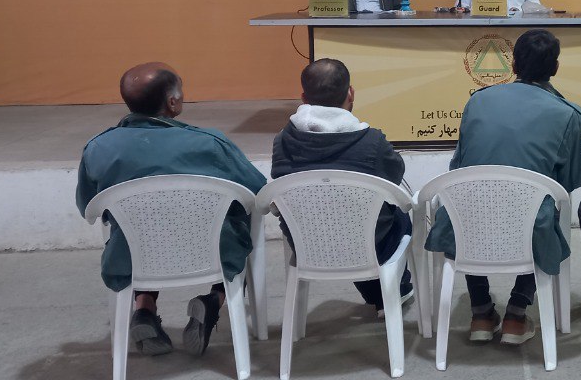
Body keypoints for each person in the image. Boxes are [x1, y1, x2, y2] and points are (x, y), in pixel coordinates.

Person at [76, 63, 266, 357]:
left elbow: (87, 207)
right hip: (212, 253)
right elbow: (257, 192)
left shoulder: (98, 148)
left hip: (133, 257)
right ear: (173, 102)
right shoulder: (210, 144)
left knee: (140, 232)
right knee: (239, 227)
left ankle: (144, 308)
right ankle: (213, 300)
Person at [425, 29, 581, 346]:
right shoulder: (568, 114)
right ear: (555, 68)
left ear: (513, 65)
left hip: (466, 221)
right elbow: (571, 179)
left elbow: (459, 166)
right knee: (544, 209)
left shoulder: (478, 101)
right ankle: (516, 313)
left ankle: (481, 312)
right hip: (529, 226)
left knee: (469, 202)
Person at [270, 58, 413, 318]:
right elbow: (395, 175)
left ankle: (377, 294)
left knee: (350, 220)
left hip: (307, 244)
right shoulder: (372, 142)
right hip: (367, 243)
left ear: (304, 98)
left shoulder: (283, 141)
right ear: (351, 93)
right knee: (395, 216)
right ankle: (393, 290)